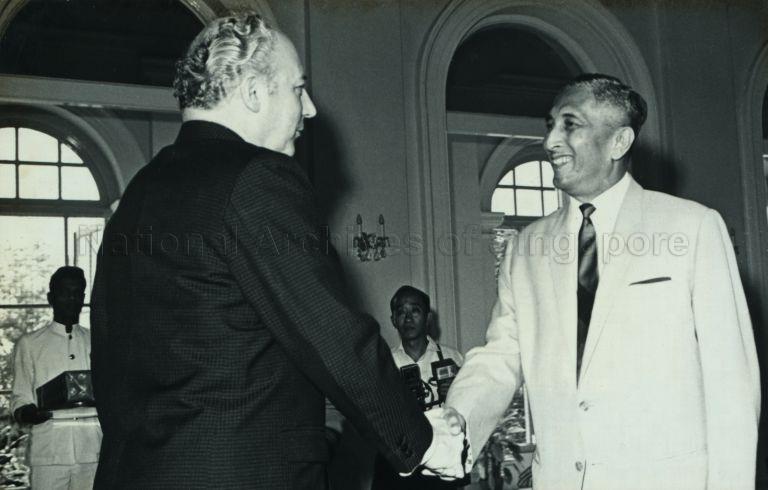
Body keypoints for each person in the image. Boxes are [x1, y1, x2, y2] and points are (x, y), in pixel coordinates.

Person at [89, 13, 463, 490]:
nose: (309, 109)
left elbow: (109, 360)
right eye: (297, 88)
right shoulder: (257, 179)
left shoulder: (139, 193)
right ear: (253, 93)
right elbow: (332, 335)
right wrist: (423, 441)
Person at [444, 74, 761, 490]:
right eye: (550, 125)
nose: (551, 141)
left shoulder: (693, 227)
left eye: (569, 124)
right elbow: (501, 356)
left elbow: (731, 385)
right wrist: (456, 421)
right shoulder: (526, 247)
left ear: (619, 142)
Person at [11, 266, 101, 489]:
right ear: (51, 298)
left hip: (92, 452)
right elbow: (20, 398)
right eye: (64, 292)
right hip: (49, 454)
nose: (71, 299)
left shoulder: (98, 342)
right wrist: (28, 412)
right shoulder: (30, 344)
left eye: (77, 293)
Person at [372, 285, 466, 490]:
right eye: (401, 312)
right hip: (399, 459)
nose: (408, 318)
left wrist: (457, 394)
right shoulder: (383, 363)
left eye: (415, 310)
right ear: (393, 320)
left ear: (428, 318)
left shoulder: (453, 358)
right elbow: (373, 416)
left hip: (442, 456)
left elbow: (471, 411)